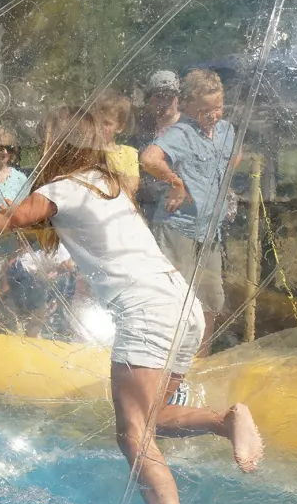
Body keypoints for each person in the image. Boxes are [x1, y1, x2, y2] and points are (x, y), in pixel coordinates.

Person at [0, 106, 262, 504]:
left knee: (133, 435)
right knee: (152, 417)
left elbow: (1, 223)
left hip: (146, 311)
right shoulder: (108, 184)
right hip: (181, 305)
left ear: (57, 147)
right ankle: (225, 420)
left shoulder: (64, 188)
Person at [140, 68, 240, 351]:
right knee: (175, 298)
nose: (213, 115)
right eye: (205, 110)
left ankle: (200, 358)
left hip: (209, 231)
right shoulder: (181, 133)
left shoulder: (226, 131)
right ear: (189, 107)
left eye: (218, 107)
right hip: (179, 227)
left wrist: (220, 188)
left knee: (210, 299)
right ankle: (166, 361)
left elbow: (235, 156)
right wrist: (176, 182)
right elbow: (149, 158)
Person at [131, 70, 182, 222]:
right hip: (144, 207)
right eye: (159, 96)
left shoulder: (188, 129)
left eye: (169, 96)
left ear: (177, 99)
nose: (164, 101)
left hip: (176, 210)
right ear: (149, 100)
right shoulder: (141, 130)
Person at [94, 91, 140, 196]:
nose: (100, 126)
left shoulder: (128, 153)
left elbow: (133, 184)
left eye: (107, 123)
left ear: (120, 127)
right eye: (97, 121)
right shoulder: (87, 150)